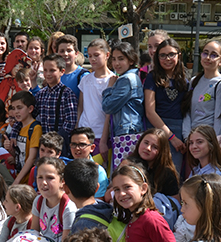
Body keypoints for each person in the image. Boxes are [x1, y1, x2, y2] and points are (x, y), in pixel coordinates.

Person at [144, 38, 190, 171]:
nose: (167, 59)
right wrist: (171, 137)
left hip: (179, 128)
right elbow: (150, 112)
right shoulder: (152, 77)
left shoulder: (185, 79)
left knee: (172, 173)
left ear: (179, 55)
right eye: (162, 55)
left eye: (171, 54)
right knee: (154, 171)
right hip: (157, 129)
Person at [102, 41, 145, 169]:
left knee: (124, 172)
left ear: (131, 60)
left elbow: (107, 106)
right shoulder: (131, 76)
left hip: (127, 132)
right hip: (129, 130)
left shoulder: (126, 79)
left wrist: (109, 88)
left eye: (121, 59)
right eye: (114, 59)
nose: (116, 63)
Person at [78, 39, 113, 161]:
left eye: (96, 55)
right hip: (84, 134)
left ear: (107, 55)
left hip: (101, 135)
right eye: (90, 55)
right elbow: (81, 107)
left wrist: (103, 140)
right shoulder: (85, 79)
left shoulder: (113, 80)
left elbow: (109, 113)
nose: (92, 59)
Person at [182, 40, 221, 137]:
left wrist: (215, 142)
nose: (208, 58)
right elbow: (188, 112)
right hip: (192, 139)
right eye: (205, 53)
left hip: (208, 139)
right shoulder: (194, 81)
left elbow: (218, 117)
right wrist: (186, 137)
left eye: (214, 55)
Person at [36, 54, 77, 153]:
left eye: (52, 70)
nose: (48, 74)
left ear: (62, 71)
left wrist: (55, 139)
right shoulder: (40, 94)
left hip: (59, 145)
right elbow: (34, 115)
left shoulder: (67, 94)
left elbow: (70, 122)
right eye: (45, 70)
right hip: (43, 145)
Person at [126, 129, 180, 198]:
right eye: (146, 143)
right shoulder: (127, 164)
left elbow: (175, 202)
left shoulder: (167, 173)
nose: (148, 148)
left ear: (161, 152)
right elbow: (110, 193)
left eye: (155, 147)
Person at [4, 91, 41, 185]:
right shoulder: (18, 128)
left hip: (28, 181)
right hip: (19, 176)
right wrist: (9, 148)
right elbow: (19, 154)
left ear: (30, 109)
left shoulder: (35, 128)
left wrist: (17, 181)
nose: (16, 111)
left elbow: (32, 158)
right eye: (14, 108)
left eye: (19, 108)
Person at [70, 128, 108, 198]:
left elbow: (99, 200)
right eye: (74, 144)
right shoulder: (66, 168)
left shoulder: (98, 171)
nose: (77, 148)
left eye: (82, 145)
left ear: (92, 148)